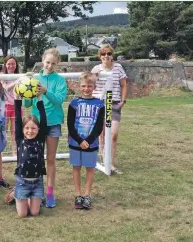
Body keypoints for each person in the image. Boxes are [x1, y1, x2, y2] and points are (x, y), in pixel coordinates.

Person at [24, 48, 68, 208]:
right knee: (35, 159)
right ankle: (36, 192)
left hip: (53, 123)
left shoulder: (60, 80)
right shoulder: (34, 78)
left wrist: (46, 91)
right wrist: (24, 97)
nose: (49, 66)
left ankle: (49, 193)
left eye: (53, 63)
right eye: (48, 62)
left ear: (57, 64)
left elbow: (59, 100)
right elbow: (28, 104)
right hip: (37, 124)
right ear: (43, 61)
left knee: (50, 160)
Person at [67, 72, 104, 209]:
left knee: (90, 169)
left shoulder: (99, 104)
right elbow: (70, 125)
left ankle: (87, 195)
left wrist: (88, 140)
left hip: (91, 143)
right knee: (76, 168)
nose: (86, 89)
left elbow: (99, 126)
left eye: (89, 86)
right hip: (75, 143)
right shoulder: (74, 103)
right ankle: (78, 195)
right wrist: (79, 140)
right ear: (79, 86)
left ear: (94, 87)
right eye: (83, 86)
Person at [91, 44, 128, 175]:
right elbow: (91, 86)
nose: (106, 56)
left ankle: (111, 163)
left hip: (114, 103)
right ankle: (104, 160)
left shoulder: (118, 67)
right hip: (99, 103)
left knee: (113, 134)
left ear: (112, 55)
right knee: (101, 134)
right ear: (100, 56)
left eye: (108, 53)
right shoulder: (96, 68)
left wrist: (123, 101)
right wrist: (94, 76)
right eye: (103, 54)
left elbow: (123, 85)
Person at [14, 76, 47, 217]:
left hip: (37, 182)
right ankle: (15, 194)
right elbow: (17, 118)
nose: (30, 131)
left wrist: (39, 98)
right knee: (22, 215)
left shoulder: (40, 139)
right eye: (27, 128)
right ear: (22, 130)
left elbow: (43, 118)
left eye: (33, 128)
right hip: (22, 182)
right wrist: (17, 99)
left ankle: (33, 198)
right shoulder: (20, 139)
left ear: (39, 130)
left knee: (34, 213)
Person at [0, 56, 21, 157]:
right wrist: (16, 82)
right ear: (5, 64)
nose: (11, 66)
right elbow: (5, 89)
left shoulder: (20, 76)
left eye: (13, 63)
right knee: (2, 129)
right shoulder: (2, 76)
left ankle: (15, 152)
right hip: (5, 106)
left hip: (17, 106)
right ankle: (1, 151)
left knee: (15, 130)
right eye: (9, 63)